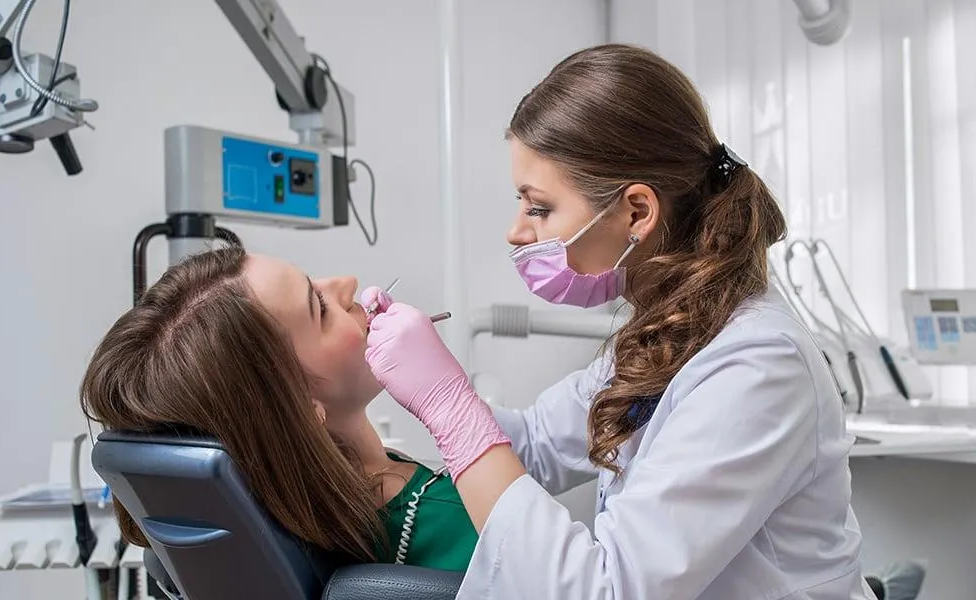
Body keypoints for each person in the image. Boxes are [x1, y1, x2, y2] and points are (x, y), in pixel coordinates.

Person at [362, 44, 878, 598]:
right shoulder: (668, 330)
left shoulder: (755, 363)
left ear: (636, 211)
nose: (516, 231)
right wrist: (419, 387)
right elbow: (534, 446)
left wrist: (448, 404)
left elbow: (607, 589)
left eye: (538, 207)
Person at [79, 245, 477, 571]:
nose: (347, 284)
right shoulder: (457, 521)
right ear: (303, 409)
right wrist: (455, 410)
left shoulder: (250, 549)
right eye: (319, 308)